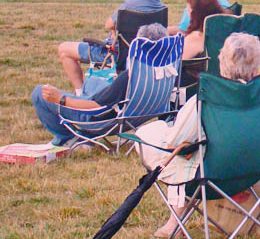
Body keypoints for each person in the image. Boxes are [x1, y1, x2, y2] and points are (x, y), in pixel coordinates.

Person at [134, 32, 260, 238]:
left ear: (222, 65)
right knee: (188, 148)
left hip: (211, 176)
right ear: (256, 69)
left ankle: (174, 224)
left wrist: (185, 144)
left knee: (171, 147)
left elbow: (175, 142)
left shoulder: (205, 100)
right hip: (254, 171)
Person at [32, 23, 169, 148]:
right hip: (136, 117)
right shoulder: (169, 71)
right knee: (96, 83)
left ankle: (68, 138)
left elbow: (96, 106)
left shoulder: (131, 76)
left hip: (101, 122)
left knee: (39, 93)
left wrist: (61, 99)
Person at [57, 0, 168, 94]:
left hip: (116, 54)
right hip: (144, 56)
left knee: (64, 49)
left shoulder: (130, 6)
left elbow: (109, 24)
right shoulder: (162, 8)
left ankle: (80, 94)